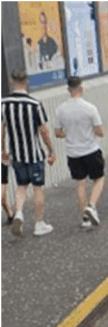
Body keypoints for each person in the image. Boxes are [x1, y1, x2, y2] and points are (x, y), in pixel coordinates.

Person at [1, 69, 56, 237]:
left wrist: (3, 149)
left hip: (16, 154)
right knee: (38, 188)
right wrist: (51, 150)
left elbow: (1, 130)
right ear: (26, 82)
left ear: (12, 82)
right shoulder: (35, 104)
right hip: (34, 154)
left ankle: (18, 213)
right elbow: (44, 131)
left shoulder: (4, 104)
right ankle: (39, 224)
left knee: (21, 186)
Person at [54, 77, 106, 228]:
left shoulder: (61, 109)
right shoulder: (90, 108)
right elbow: (100, 132)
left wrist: (69, 134)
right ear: (81, 89)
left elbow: (58, 133)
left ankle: (85, 218)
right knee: (99, 179)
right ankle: (91, 205)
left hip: (73, 153)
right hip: (91, 150)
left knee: (80, 183)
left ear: (68, 90)